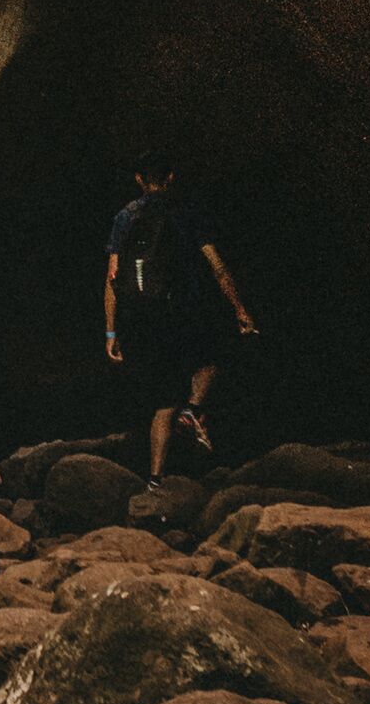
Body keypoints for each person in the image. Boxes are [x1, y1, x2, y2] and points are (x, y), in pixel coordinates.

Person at [106, 155, 257, 473]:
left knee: (163, 403)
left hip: (144, 319)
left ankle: (155, 481)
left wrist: (111, 331)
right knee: (214, 357)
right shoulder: (187, 214)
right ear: (172, 178)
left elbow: (113, 277)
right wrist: (240, 310)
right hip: (184, 313)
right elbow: (218, 268)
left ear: (138, 179)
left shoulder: (125, 217)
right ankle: (193, 409)